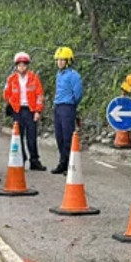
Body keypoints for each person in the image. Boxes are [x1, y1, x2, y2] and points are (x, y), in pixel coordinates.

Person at [4, 52, 46, 170]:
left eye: (24, 65)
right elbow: (6, 94)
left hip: (30, 110)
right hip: (17, 111)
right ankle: (20, 159)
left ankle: (34, 160)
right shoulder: (11, 79)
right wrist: (12, 104)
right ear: (16, 66)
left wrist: (38, 111)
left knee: (31, 136)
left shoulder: (34, 78)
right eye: (19, 65)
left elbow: (39, 95)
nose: (22, 67)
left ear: (27, 66)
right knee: (18, 136)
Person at [51, 46, 83, 174]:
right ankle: (62, 162)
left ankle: (70, 164)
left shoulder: (74, 75)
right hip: (58, 106)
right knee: (59, 136)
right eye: (58, 60)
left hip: (68, 107)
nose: (60, 62)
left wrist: (72, 105)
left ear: (69, 61)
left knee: (67, 136)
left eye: (62, 60)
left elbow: (78, 94)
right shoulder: (59, 74)